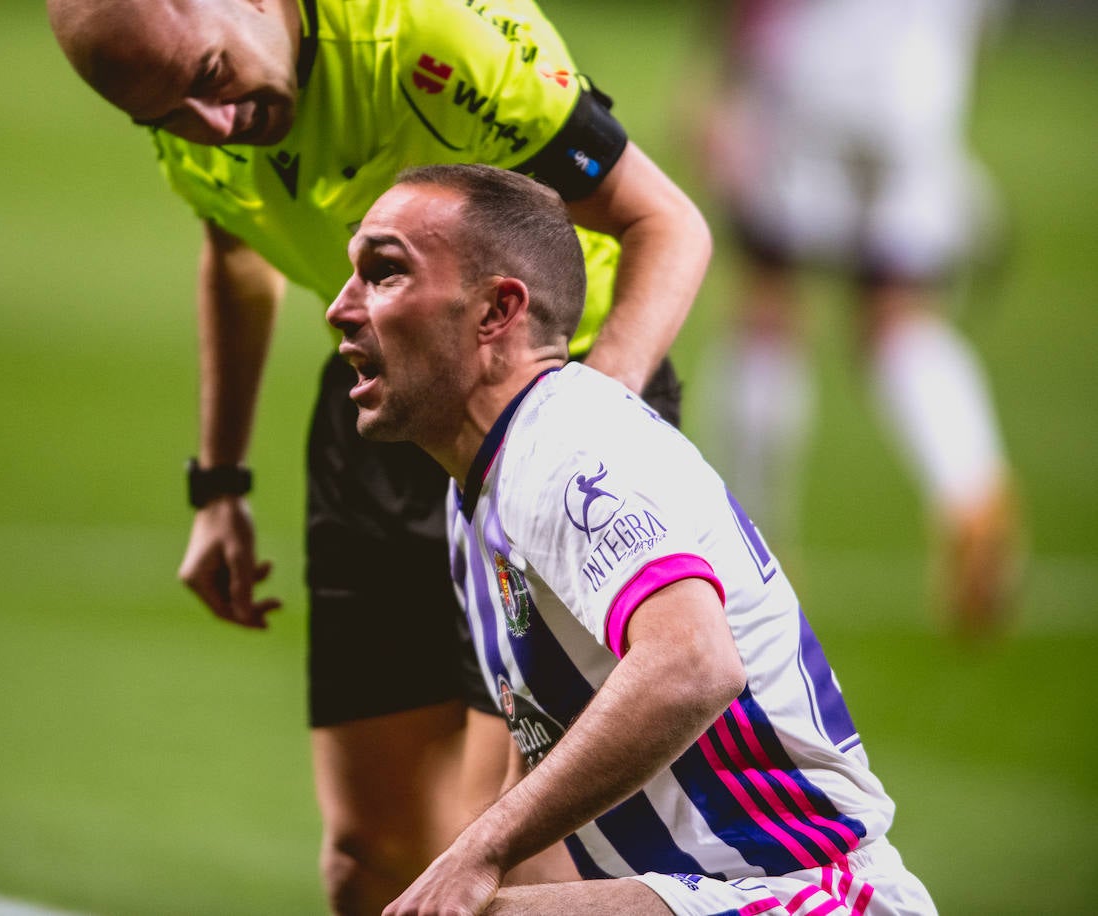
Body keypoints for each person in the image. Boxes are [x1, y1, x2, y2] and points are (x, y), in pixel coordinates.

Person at [43, 1, 711, 911]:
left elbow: (666, 222)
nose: (209, 127)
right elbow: (236, 252)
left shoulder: (435, 45)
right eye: (162, 119)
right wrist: (219, 484)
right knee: (367, 858)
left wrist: (581, 423)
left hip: (557, 425)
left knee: (511, 860)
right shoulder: (190, 97)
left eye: (206, 79)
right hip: (384, 414)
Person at [326, 163, 936, 915]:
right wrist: (480, 864)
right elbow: (535, 804)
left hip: (807, 894)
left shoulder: (570, 446)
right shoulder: (479, 495)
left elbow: (693, 662)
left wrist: (475, 856)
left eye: (383, 273)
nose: (339, 308)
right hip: (707, 894)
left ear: (496, 311)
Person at [688, 0, 1021, 638]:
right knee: (899, 314)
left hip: (812, 74)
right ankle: (972, 490)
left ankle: (752, 541)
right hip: (920, 83)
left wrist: (720, 78)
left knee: (768, 300)